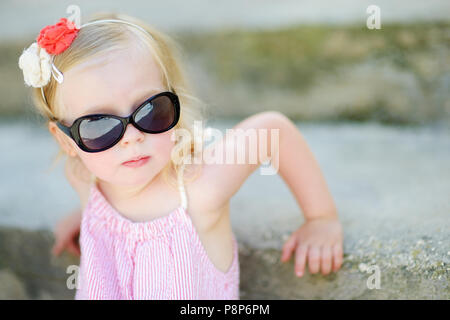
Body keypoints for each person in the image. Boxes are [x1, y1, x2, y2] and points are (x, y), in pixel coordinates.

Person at [18, 12, 343, 300]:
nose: (132, 138)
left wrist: (321, 218)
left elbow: (275, 130)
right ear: (67, 143)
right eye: (99, 126)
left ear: (174, 101)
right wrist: (87, 212)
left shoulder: (200, 189)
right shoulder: (84, 178)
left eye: (151, 111)